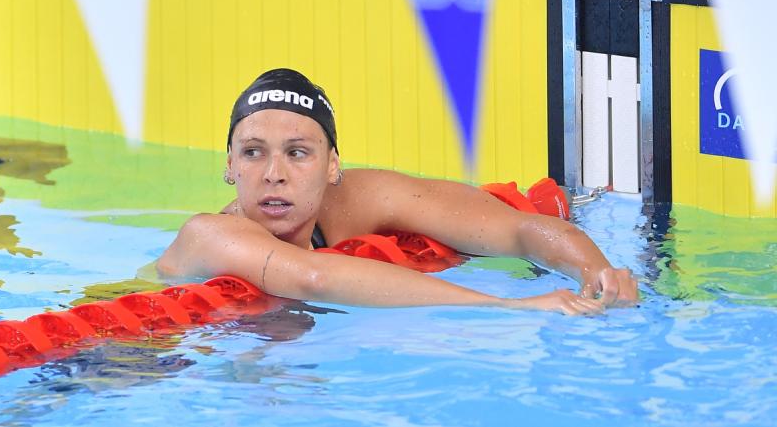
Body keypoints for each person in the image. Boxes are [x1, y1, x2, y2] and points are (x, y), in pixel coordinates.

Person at [157, 69, 638, 315]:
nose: (273, 174)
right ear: (229, 167)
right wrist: (511, 307)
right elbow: (313, 279)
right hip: (137, 356)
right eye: (253, 153)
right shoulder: (210, 235)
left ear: (332, 167)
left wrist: (597, 271)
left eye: (298, 153)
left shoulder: (359, 198)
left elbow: (517, 228)